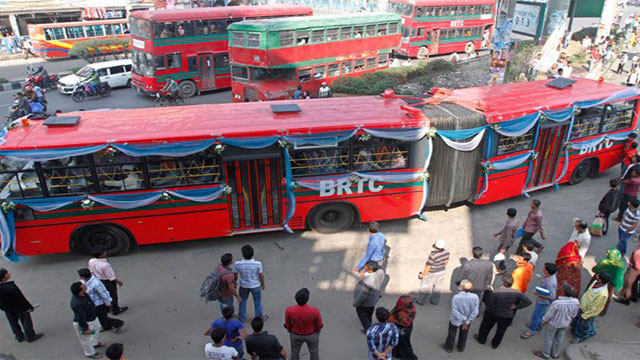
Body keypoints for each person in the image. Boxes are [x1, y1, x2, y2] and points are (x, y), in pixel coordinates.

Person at [474, 275, 532, 349]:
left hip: (493, 313)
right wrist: (516, 307)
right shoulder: (517, 293)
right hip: (507, 315)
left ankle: (481, 339)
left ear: (503, 283)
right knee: (501, 331)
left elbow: (490, 304)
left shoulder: (496, 292)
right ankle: (495, 344)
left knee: (486, 327)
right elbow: (528, 302)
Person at [532, 283, 580, 359]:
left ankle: (545, 354)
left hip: (554, 324)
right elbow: (574, 314)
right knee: (559, 339)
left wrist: (543, 321)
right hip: (565, 323)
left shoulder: (557, 303)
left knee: (549, 338)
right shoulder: (576, 302)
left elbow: (549, 315)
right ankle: (555, 354)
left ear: (563, 292)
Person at [0, 268, 43, 343]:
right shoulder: (11, 287)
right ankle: (31, 336)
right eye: (7, 273)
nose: (9, 274)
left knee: (13, 323)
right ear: (3, 277)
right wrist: (29, 307)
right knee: (26, 322)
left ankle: (19, 336)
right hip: (20, 308)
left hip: (8, 309)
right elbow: (21, 298)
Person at [77, 268, 124, 332]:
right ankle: (106, 326)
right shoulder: (84, 281)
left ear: (83, 276)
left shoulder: (96, 284)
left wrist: (108, 302)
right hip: (92, 303)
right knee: (99, 317)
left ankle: (118, 323)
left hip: (99, 304)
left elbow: (103, 293)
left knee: (103, 318)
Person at [571, 272, 611, 343]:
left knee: (584, 325)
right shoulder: (595, 283)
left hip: (588, 313)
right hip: (583, 307)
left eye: (598, 276)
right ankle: (589, 331)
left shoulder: (603, 294)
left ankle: (580, 336)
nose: (596, 276)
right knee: (581, 321)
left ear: (600, 280)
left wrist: (585, 315)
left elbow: (595, 308)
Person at [284, 288, 323, 360]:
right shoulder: (315, 311)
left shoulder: (289, 310)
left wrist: (290, 331)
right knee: (314, 353)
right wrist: (317, 332)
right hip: (311, 334)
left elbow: (288, 324)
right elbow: (319, 324)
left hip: (296, 334)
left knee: (295, 353)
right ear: (307, 299)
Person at [521, 263, 558, 339]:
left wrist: (538, 293)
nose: (543, 269)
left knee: (536, 316)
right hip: (541, 300)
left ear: (547, 271)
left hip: (543, 302)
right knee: (540, 314)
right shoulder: (549, 277)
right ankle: (538, 326)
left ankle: (531, 330)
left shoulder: (550, 282)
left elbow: (552, 296)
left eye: (544, 268)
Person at [88, 251, 128, 315]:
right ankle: (116, 309)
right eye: (104, 253)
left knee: (103, 294)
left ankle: (106, 308)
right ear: (100, 255)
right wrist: (118, 282)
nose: (105, 253)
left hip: (99, 280)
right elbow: (111, 277)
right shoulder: (105, 265)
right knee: (113, 295)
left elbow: (91, 271)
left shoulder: (91, 261)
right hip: (107, 282)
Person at [234, 244, 266, 323]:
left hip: (243, 286)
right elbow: (260, 275)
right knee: (257, 302)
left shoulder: (237, 264)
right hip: (255, 286)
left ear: (243, 254)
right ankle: (259, 318)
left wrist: (234, 281)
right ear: (252, 254)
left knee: (242, 301)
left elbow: (235, 274)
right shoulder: (258, 264)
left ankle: (241, 318)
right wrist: (263, 283)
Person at [445, 280, 479, 353]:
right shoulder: (475, 297)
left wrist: (462, 319)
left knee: (452, 333)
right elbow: (475, 311)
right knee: (464, 334)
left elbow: (455, 311)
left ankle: (449, 347)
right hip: (468, 320)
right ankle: (461, 347)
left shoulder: (456, 297)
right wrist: (467, 321)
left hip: (456, 319)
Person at [70, 282, 102, 359]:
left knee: (97, 328)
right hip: (85, 322)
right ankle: (90, 352)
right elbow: (81, 317)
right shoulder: (77, 304)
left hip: (92, 317)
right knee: (86, 338)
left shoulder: (84, 294)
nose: (85, 286)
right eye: (83, 286)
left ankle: (94, 343)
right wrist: (85, 328)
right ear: (80, 291)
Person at [353, 261, 385, 332]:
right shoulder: (380, 273)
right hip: (373, 300)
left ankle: (368, 330)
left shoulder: (368, 281)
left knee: (362, 315)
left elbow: (363, 294)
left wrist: (356, 303)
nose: (364, 267)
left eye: (366, 267)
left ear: (370, 270)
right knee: (369, 313)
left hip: (365, 303)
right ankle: (369, 323)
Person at [415, 240, 449, 305]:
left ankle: (421, 301)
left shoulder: (432, 255)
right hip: (442, 271)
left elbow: (428, 267)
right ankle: (434, 301)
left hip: (432, 273)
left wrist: (422, 275)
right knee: (438, 287)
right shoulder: (446, 253)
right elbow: (446, 262)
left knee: (425, 287)